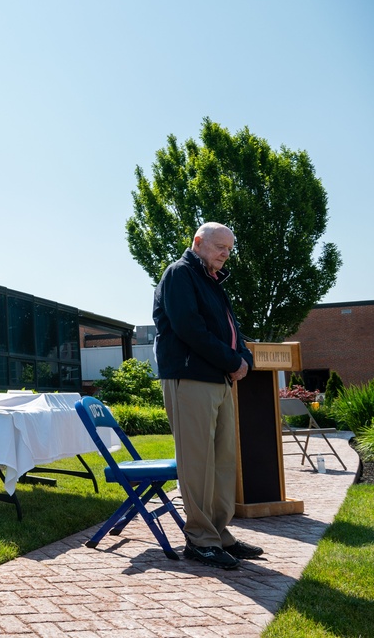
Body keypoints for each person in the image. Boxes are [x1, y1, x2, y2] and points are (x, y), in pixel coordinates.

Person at [152, 221, 260, 570]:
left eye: (229, 249)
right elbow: (189, 328)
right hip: (190, 379)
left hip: (219, 380)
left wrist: (244, 358)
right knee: (198, 464)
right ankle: (200, 540)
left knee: (223, 461)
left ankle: (220, 534)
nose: (226, 254)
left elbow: (230, 328)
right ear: (198, 242)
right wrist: (232, 361)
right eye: (220, 247)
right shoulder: (179, 274)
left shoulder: (213, 282)